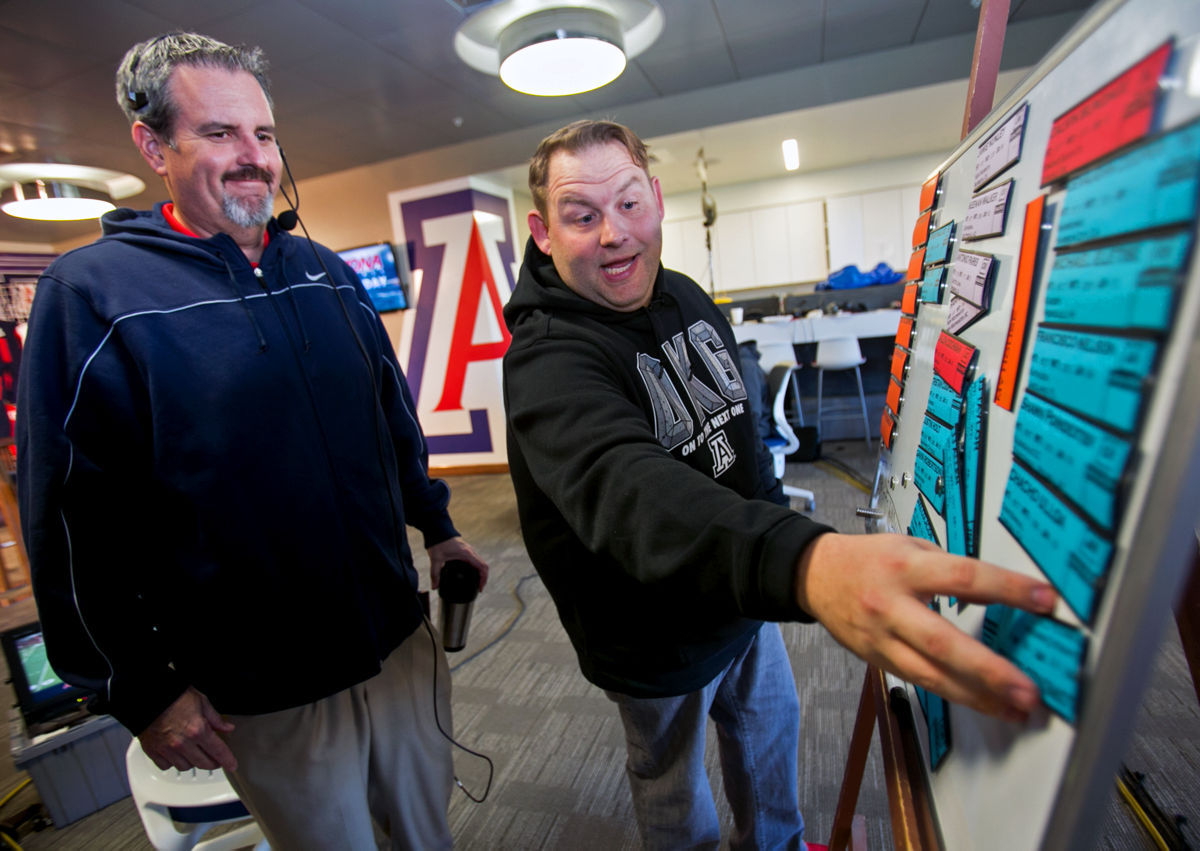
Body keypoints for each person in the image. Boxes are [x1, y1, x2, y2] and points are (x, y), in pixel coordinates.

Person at [501, 119, 1057, 850]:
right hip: (650, 635)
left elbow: (742, 429)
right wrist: (805, 562)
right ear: (544, 232)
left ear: (659, 199)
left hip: (741, 596)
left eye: (629, 203)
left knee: (770, 732)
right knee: (673, 781)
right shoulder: (546, 360)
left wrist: (768, 543)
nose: (614, 233)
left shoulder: (688, 299)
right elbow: (628, 487)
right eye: (583, 215)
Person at [16, 33, 488, 850]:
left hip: (397, 641)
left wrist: (436, 525)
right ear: (152, 145)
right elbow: (68, 519)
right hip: (267, 687)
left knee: (427, 833)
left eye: (265, 135)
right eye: (220, 134)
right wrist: (143, 687)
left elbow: (392, 421)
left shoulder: (326, 272)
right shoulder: (92, 295)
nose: (254, 158)